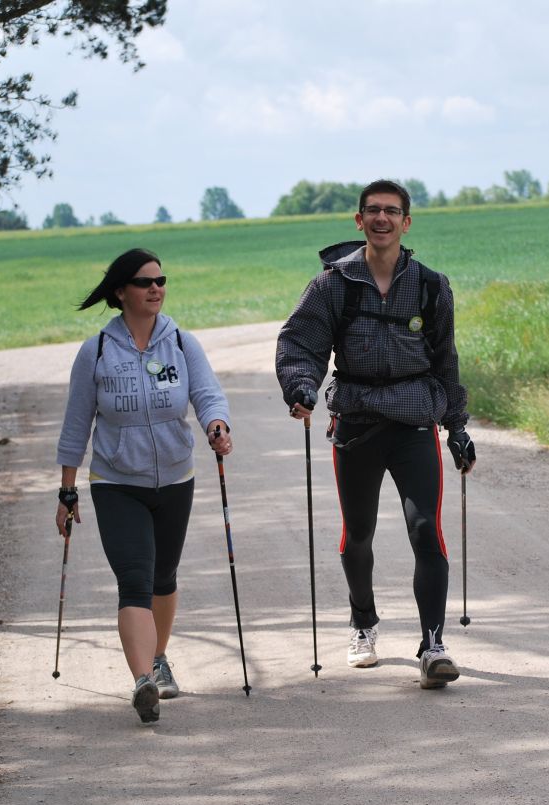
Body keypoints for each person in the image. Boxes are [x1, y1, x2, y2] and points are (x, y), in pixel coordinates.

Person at [276, 179, 474, 690]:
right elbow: (302, 343)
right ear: (358, 221)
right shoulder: (333, 286)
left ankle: (433, 644)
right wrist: (301, 387)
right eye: (372, 211)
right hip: (357, 425)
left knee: (425, 530)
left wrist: (457, 428)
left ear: (407, 223)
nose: (382, 219)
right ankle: (362, 622)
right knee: (357, 535)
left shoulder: (431, 285)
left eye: (392, 211)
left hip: (413, 423)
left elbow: (445, 360)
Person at [55, 248, 232, 724]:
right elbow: (76, 425)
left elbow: (207, 393)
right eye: (144, 282)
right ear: (120, 292)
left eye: (161, 280)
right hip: (116, 482)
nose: (156, 288)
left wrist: (217, 424)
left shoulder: (181, 343)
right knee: (135, 579)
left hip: (176, 477)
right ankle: (143, 681)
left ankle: (157, 658)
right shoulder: (95, 352)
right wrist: (67, 489)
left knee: (162, 578)